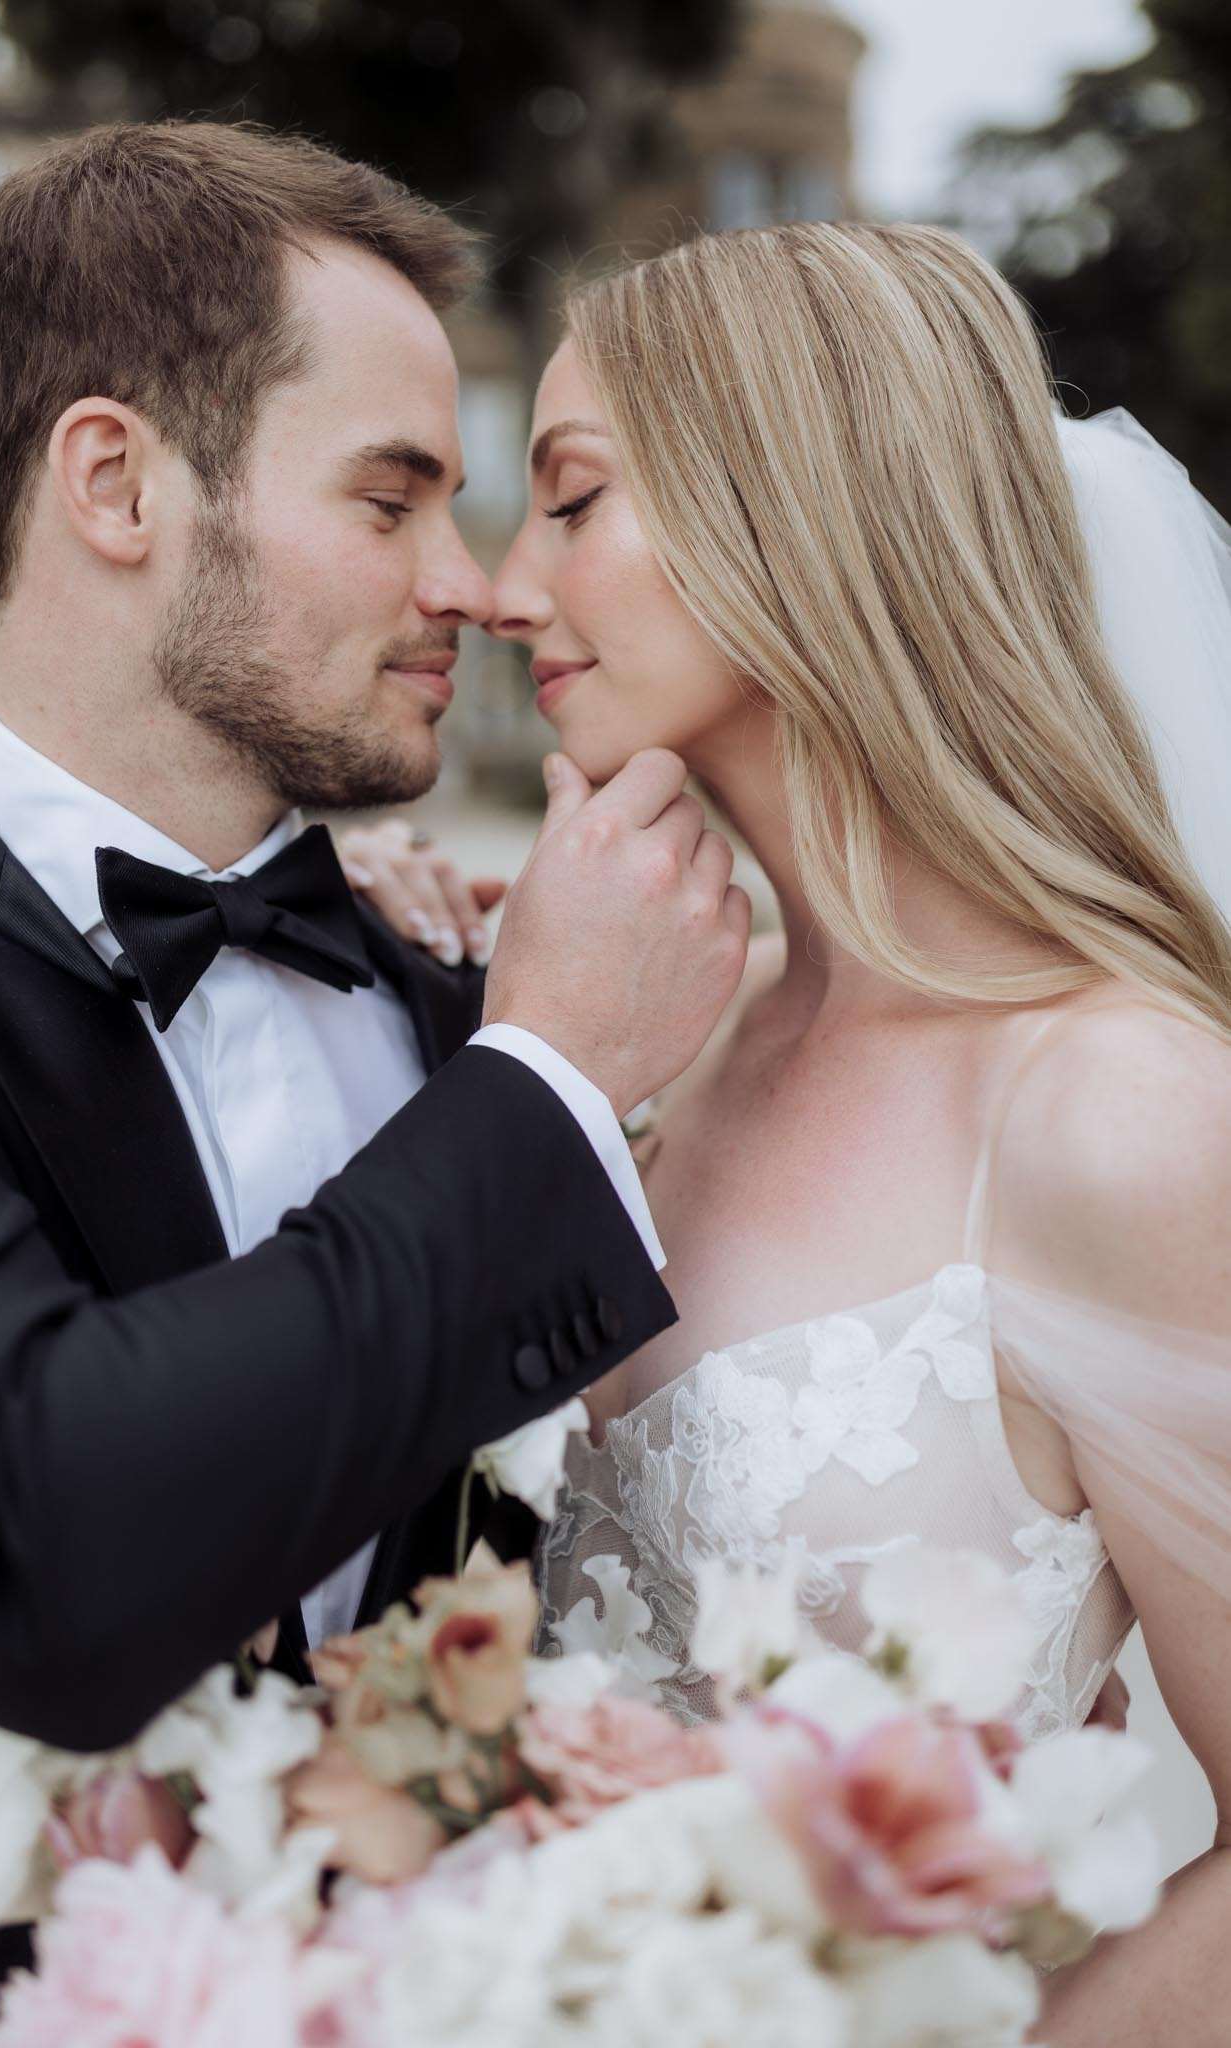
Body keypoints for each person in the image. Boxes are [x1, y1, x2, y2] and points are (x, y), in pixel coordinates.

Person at [0, 123, 751, 2041]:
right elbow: (43, 1527)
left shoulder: (448, 983)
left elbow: (461, 1623)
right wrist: (546, 1084)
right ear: (118, 482)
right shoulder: (524, 1062)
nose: (473, 582)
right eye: (391, 496)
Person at [491, 222, 1231, 2045]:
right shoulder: (658, 1054)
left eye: (569, 501)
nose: (503, 590)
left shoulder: (1111, 1114)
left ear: (788, 513)